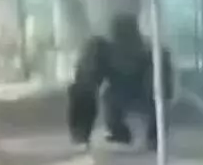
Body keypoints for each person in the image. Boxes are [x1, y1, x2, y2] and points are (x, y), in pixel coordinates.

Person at [67, 13, 173, 151]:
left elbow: (163, 94)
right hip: (118, 92)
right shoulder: (102, 49)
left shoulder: (153, 53)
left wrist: (156, 134)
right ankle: (91, 132)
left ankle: (151, 136)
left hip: (139, 91)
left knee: (157, 89)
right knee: (90, 86)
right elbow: (84, 84)